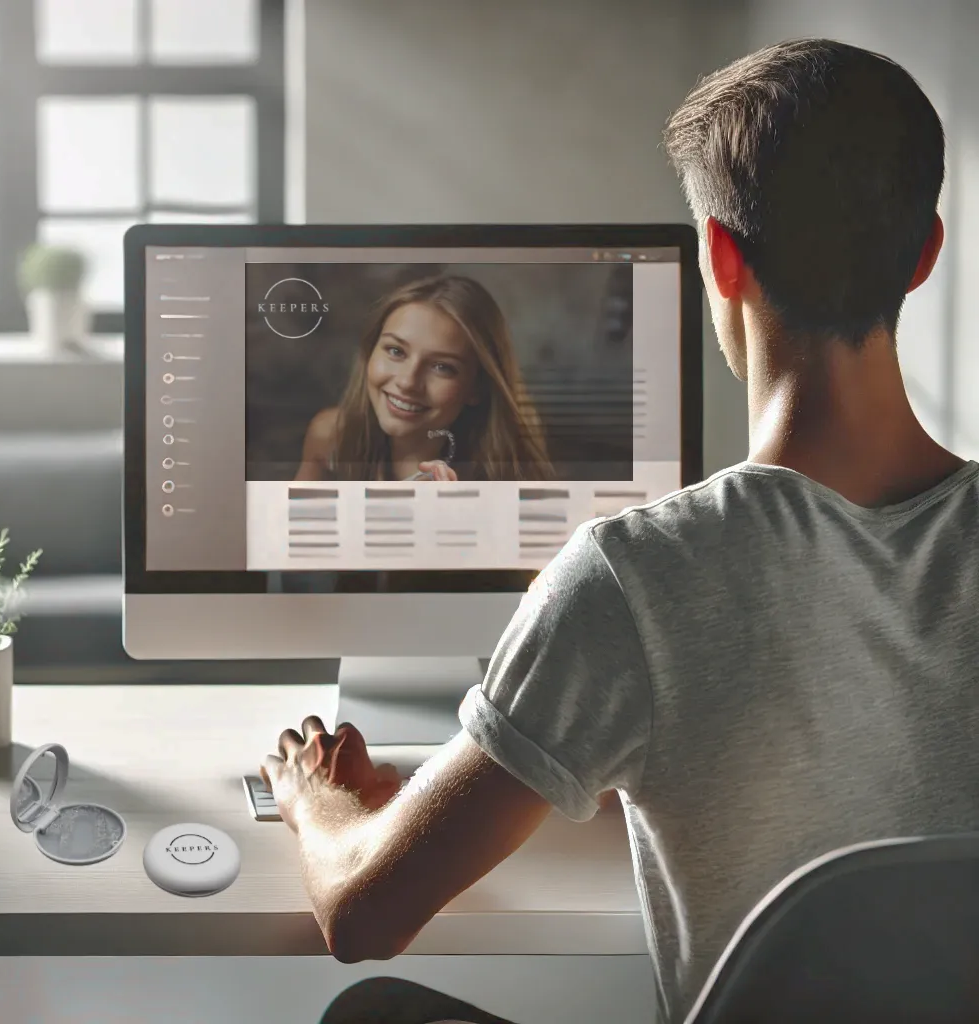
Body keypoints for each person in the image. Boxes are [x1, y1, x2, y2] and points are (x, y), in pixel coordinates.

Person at [262, 38, 979, 1024]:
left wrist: (315, 801)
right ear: (925, 252)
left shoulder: (632, 575)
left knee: (373, 1009)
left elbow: (361, 909)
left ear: (719, 257)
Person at [293, 275, 553, 482]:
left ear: (477, 388)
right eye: (396, 351)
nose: (408, 382)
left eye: (442, 367)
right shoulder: (330, 435)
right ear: (370, 352)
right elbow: (286, 537)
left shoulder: (512, 476)